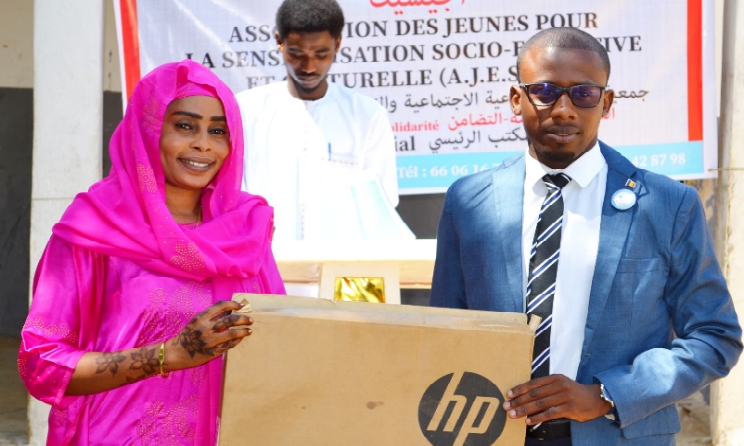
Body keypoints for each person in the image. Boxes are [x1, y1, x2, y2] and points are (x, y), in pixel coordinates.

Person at [430, 27, 742, 445]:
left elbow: (714, 335)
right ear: (516, 98)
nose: (563, 110)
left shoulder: (668, 204)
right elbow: (444, 334)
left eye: (583, 94)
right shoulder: (469, 201)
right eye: (544, 91)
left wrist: (607, 395)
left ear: (606, 103)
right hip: (491, 434)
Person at [18, 60, 285, 445]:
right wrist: (168, 355)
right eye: (185, 126)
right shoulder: (95, 227)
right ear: (149, 130)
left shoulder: (245, 228)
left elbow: (278, 338)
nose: (203, 144)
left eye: (217, 131)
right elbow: (41, 364)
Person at [235, 0, 399, 241]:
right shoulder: (246, 111)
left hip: (345, 260)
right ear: (280, 42)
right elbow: (234, 196)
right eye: (296, 54)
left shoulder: (367, 116)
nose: (309, 67)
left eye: (321, 54)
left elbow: (381, 206)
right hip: (264, 258)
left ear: (337, 44)